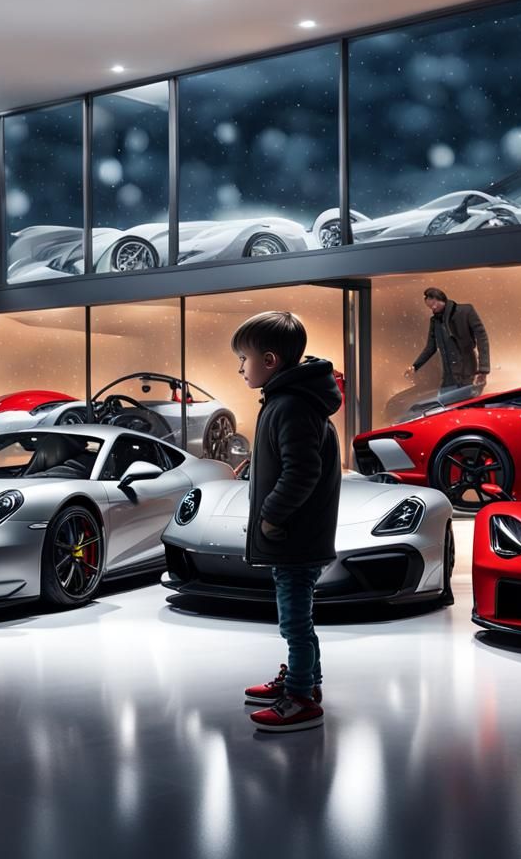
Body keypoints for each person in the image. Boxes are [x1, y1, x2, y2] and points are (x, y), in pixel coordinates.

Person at [233, 311, 342, 733]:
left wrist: (270, 517)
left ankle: (299, 697)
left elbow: (301, 472)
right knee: (299, 619)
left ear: (271, 360)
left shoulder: (292, 406)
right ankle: (305, 682)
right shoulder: (288, 402)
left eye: (244, 358)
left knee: (294, 621)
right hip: (296, 534)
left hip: (294, 535)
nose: (241, 367)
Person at [404, 287, 490, 401]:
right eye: (430, 306)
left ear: (441, 298)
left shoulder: (465, 311)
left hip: (467, 371)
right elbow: (430, 347)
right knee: (444, 405)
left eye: (434, 303)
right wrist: (415, 366)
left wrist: (483, 368)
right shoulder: (435, 321)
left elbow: (482, 338)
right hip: (449, 376)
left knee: (467, 405)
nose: (433, 308)